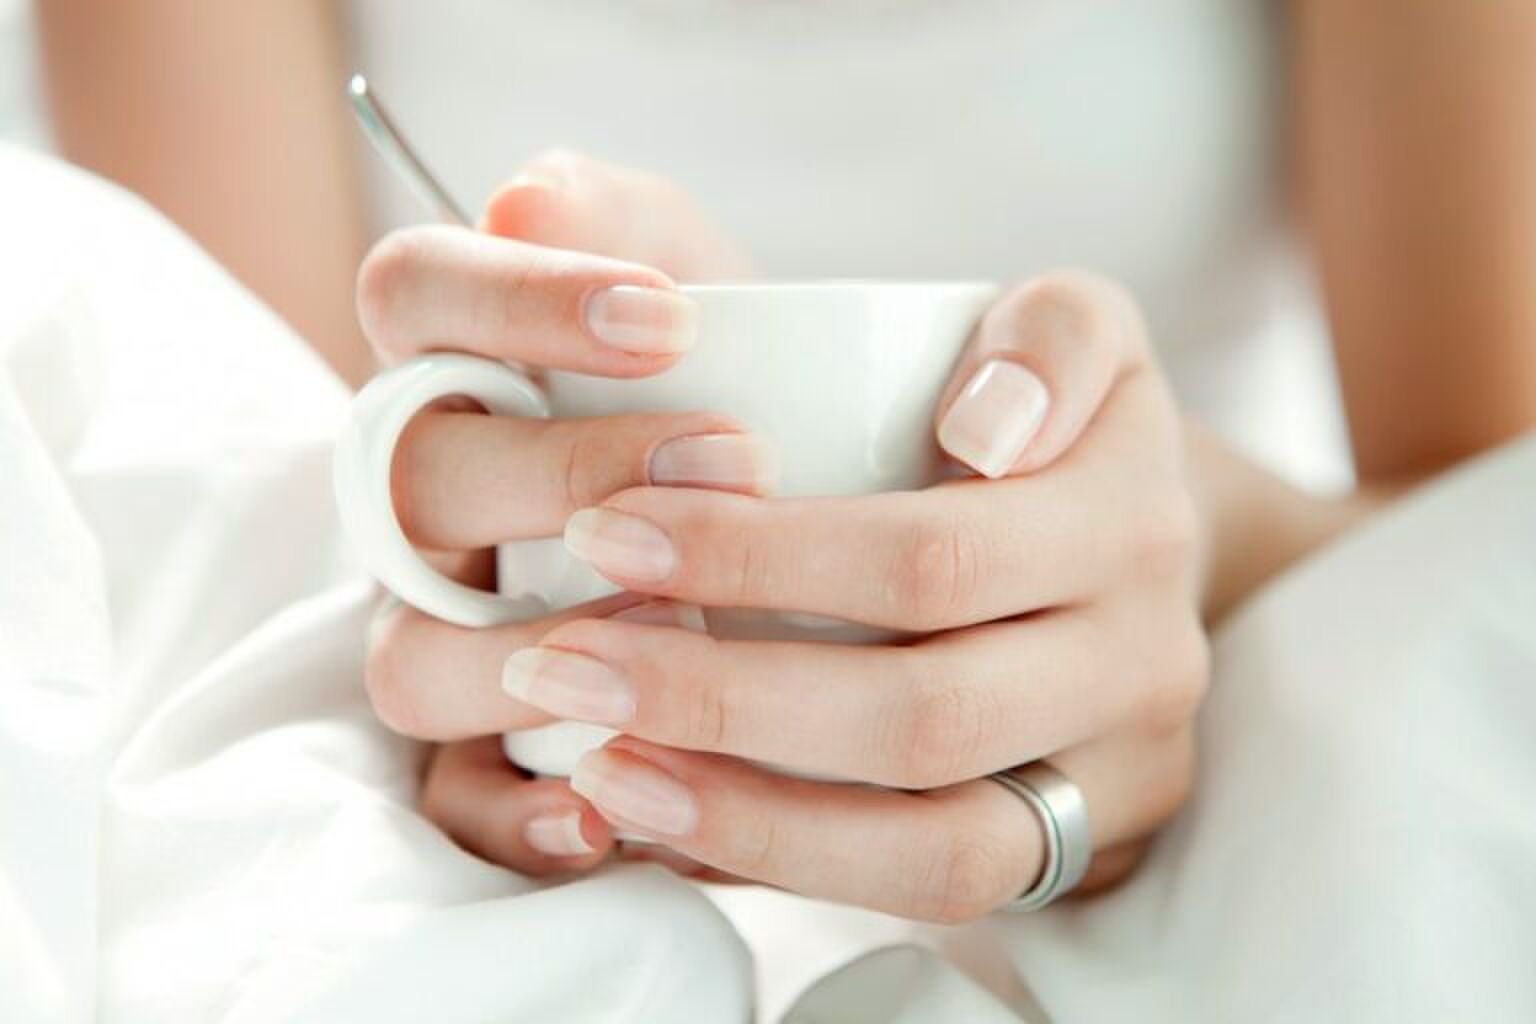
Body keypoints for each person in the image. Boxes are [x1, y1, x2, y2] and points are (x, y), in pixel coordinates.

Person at [33, 0, 1536, 923]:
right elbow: (225, 465)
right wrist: (413, 598)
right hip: (546, 801)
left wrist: (1178, 557)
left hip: (1181, 716)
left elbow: (1482, 538)